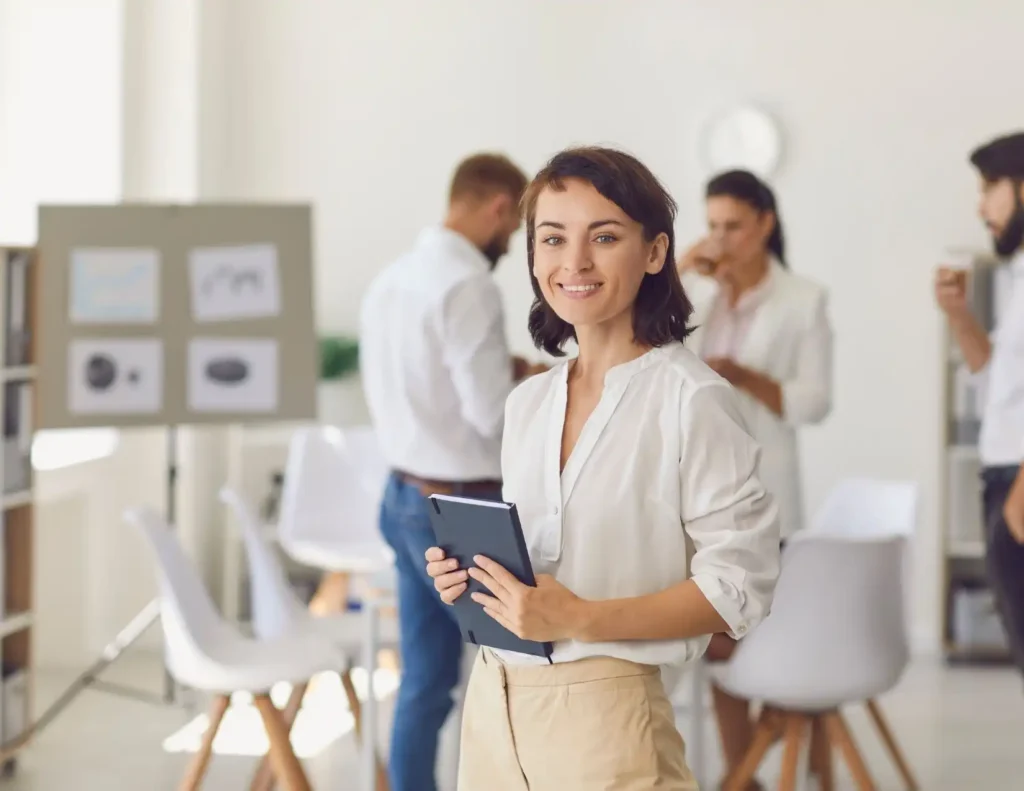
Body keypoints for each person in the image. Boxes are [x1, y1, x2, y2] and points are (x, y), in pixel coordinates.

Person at [424, 146, 781, 790]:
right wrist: (473, 580)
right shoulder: (528, 402)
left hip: (609, 719)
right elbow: (540, 568)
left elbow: (738, 589)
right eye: (552, 239)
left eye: (605, 236)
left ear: (654, 253)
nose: (575, 262)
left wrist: (582, 617)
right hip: (494, 706)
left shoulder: (689, 398)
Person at [359, 152, 543, 791]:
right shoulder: (468, 285)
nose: (510, 243)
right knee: (517, 672)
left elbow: (422, 386)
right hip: (459, 511)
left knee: (425, 682)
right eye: (515, 229)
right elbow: (491, 416)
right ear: (498, 208)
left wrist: (508, 368)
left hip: (402, 493)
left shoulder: (394, 277)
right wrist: (549, 392)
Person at [675, 169, 833, 787]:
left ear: (765, 223)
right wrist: (683, 269)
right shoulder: (701, 296)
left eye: (733, 226)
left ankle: (745, 775)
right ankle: (748, 777)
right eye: (712, 226)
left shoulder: (804, 299)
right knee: (719, 643)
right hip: (699, 491)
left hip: (768, 495)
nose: (722, 238)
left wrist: (743, 374)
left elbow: (814, 402)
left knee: (755, 642)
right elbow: (649, 347)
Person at [935, 131, 1024, 679]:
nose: (981, 205)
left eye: (991, 186)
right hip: (1003, 478)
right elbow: (999, 387)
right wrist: (958, 316)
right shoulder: (1017, 276)